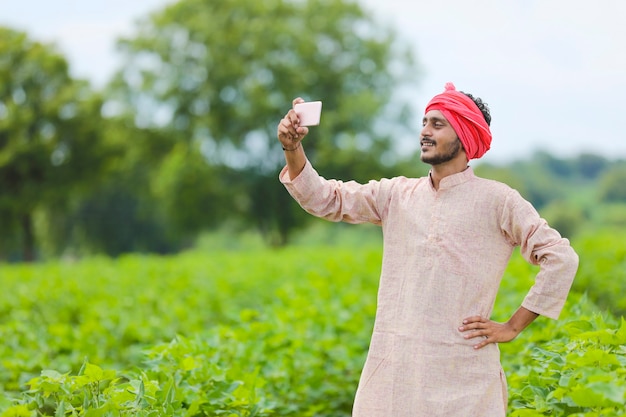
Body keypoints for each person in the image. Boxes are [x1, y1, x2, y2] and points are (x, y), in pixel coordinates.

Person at [276, 82, 578, 416]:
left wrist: (512, 326)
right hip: (393, 375)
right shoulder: (396, 195)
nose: (425, 132)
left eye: (437, 124)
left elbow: (560, 258)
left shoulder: (499, 200)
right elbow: (326, 199)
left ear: (464, 135)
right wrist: (293, 150)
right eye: (424, 123)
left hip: (465, 379)